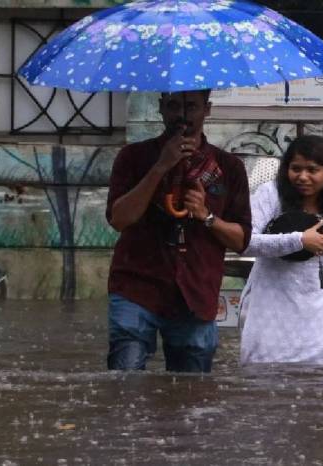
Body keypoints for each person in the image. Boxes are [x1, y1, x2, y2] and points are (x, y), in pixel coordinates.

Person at [105, 90, 252, 372]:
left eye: (191, 107)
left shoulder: (229, 168)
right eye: (173, 106)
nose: (182, 116)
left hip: (195, 293)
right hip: (137, 287)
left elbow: (241, 240)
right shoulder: (133, 157)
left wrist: (206, 215)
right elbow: (119, 219)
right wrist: (161, 167)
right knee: (125, 382)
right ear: (160, 109)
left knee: (190, 396)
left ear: (206, 109)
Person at [239, 135, 323, 365]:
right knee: (264, 378)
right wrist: (299, 240)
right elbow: (245, 242)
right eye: (296, 169)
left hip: (319, 308)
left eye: (313, 170)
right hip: (270, 304)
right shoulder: (270, 194)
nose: (303, 177)